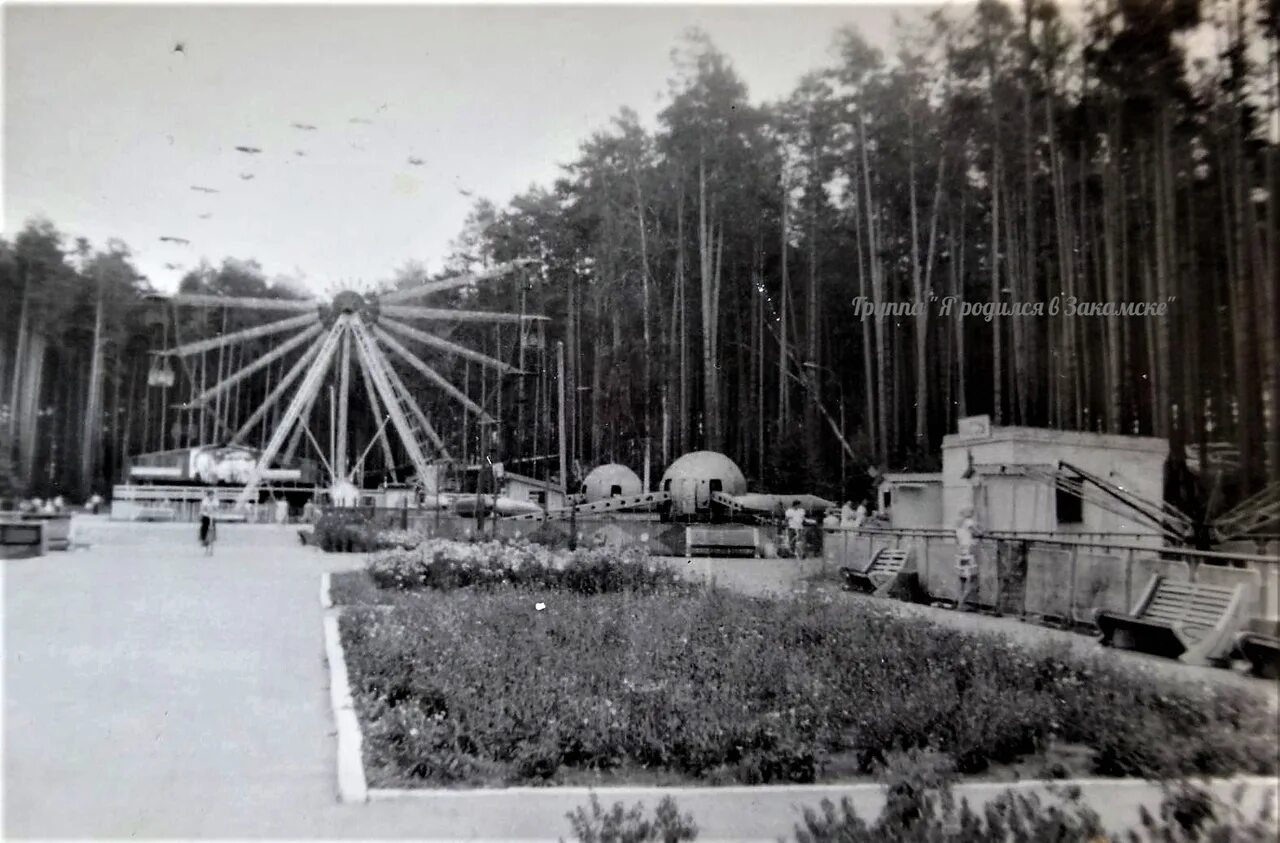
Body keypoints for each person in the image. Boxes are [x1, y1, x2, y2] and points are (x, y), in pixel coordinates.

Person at [955, 509, 978, 611]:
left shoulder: (958, 525)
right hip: (968, 553)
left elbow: (957, 540)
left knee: (962, 579)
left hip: (960, 553)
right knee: (973, 579)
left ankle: (960, 602)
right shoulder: (968, 522)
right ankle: (962, 603)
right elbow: (977, 532)